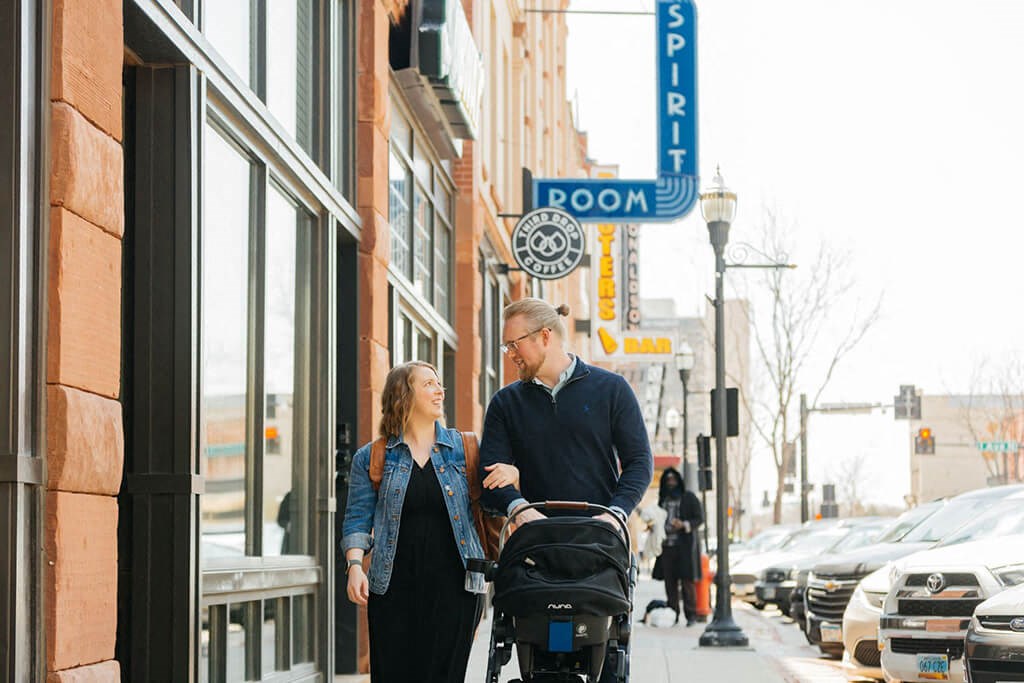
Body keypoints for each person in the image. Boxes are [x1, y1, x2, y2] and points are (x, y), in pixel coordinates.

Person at [479, 298, 653, 681]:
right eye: (505, 347)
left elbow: (639, 463)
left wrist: (614, 513)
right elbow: (489, 476)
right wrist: (519, 506)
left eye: (514, 344)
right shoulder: (506, 403)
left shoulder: (611, 390)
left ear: (545, 336)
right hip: (531, 552)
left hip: (599, 546)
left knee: (606, 659)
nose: (510, 355)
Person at [341, 361, 519, 682]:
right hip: (392, 589)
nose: (440, 391)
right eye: (428, 384)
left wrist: (514, 474)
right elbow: (357, 517)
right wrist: (355, 565)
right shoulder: (373, 457)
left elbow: (497, 498)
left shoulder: (465, 449)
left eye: (440, 384)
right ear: (403, 395)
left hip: (456, 589)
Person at [657, 467, 704, 626]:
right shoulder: (662, 500)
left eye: (673, 479)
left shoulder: (689, 497)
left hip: (684, 547)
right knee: (670, 583)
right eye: (668, 480)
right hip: (666, 547)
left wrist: (683, 524)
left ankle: (691, 616)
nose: (671, 483)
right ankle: (673, 615)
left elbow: (699, 519)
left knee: (687, 582)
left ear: (678, 480)